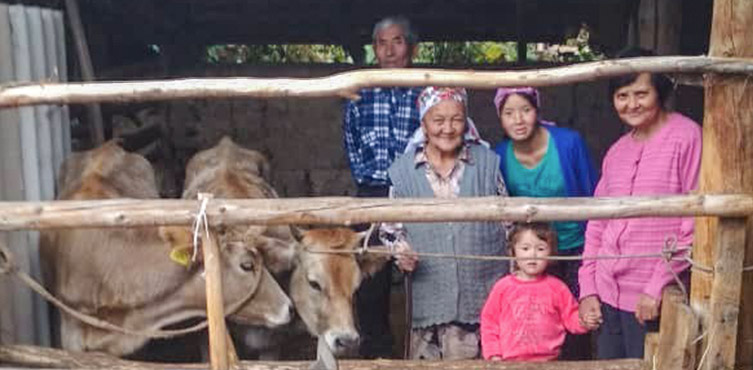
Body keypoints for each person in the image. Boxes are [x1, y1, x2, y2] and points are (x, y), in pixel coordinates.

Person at [578, 47, 702, 359]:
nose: (631, 104)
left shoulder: (687, 137)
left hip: (654, 297)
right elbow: (597, 223)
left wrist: (658, 285)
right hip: (608, 294)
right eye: (622, 95)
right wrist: (589, 287)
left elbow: (697, 220)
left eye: (640, 93)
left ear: (659, 92)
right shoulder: (617, 151)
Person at [379, 86, 509, 360]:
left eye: (456, 119)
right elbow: (390, 231)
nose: (448, 129)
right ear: (424, 124)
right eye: (438, 120)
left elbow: (509, 227)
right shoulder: (403, 173)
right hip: (429, 310)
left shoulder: (487, 164)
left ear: (466, 121)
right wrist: (401, 252)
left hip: (484, 306)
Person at [493, 87, 598, 359]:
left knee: (576, 323)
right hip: (531, 252)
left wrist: (593, 251)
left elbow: (591, 191)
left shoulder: (568, 143)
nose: (518, 120)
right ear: (500, 118)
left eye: (525, 110)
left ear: (537, 111)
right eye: (509, 113)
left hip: (574, 249)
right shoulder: (500, 154)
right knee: (534, 324)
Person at [342, 16, 422, 359]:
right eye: (382, 43)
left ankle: (421, 351)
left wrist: (413, 181)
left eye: (398, 42)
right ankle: (377, 352)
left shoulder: (425, 89)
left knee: (421, 272)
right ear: (374, 49)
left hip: (418, 193)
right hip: (373, 192)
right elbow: (352, 142)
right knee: (371, 280)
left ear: (412, 49)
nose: (390, 51)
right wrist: (370, 182)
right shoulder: (360, 92)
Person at [480, 222, 594, 362]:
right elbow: (489, 323)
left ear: (551, 253)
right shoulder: (502, 287)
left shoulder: (557, 288)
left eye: (540, 249)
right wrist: (493, 354)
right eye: (525, 248)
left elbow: (571, 318)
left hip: (550, 361)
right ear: (513, 251)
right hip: (509, 362)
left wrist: (586, 321)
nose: (532, 255)